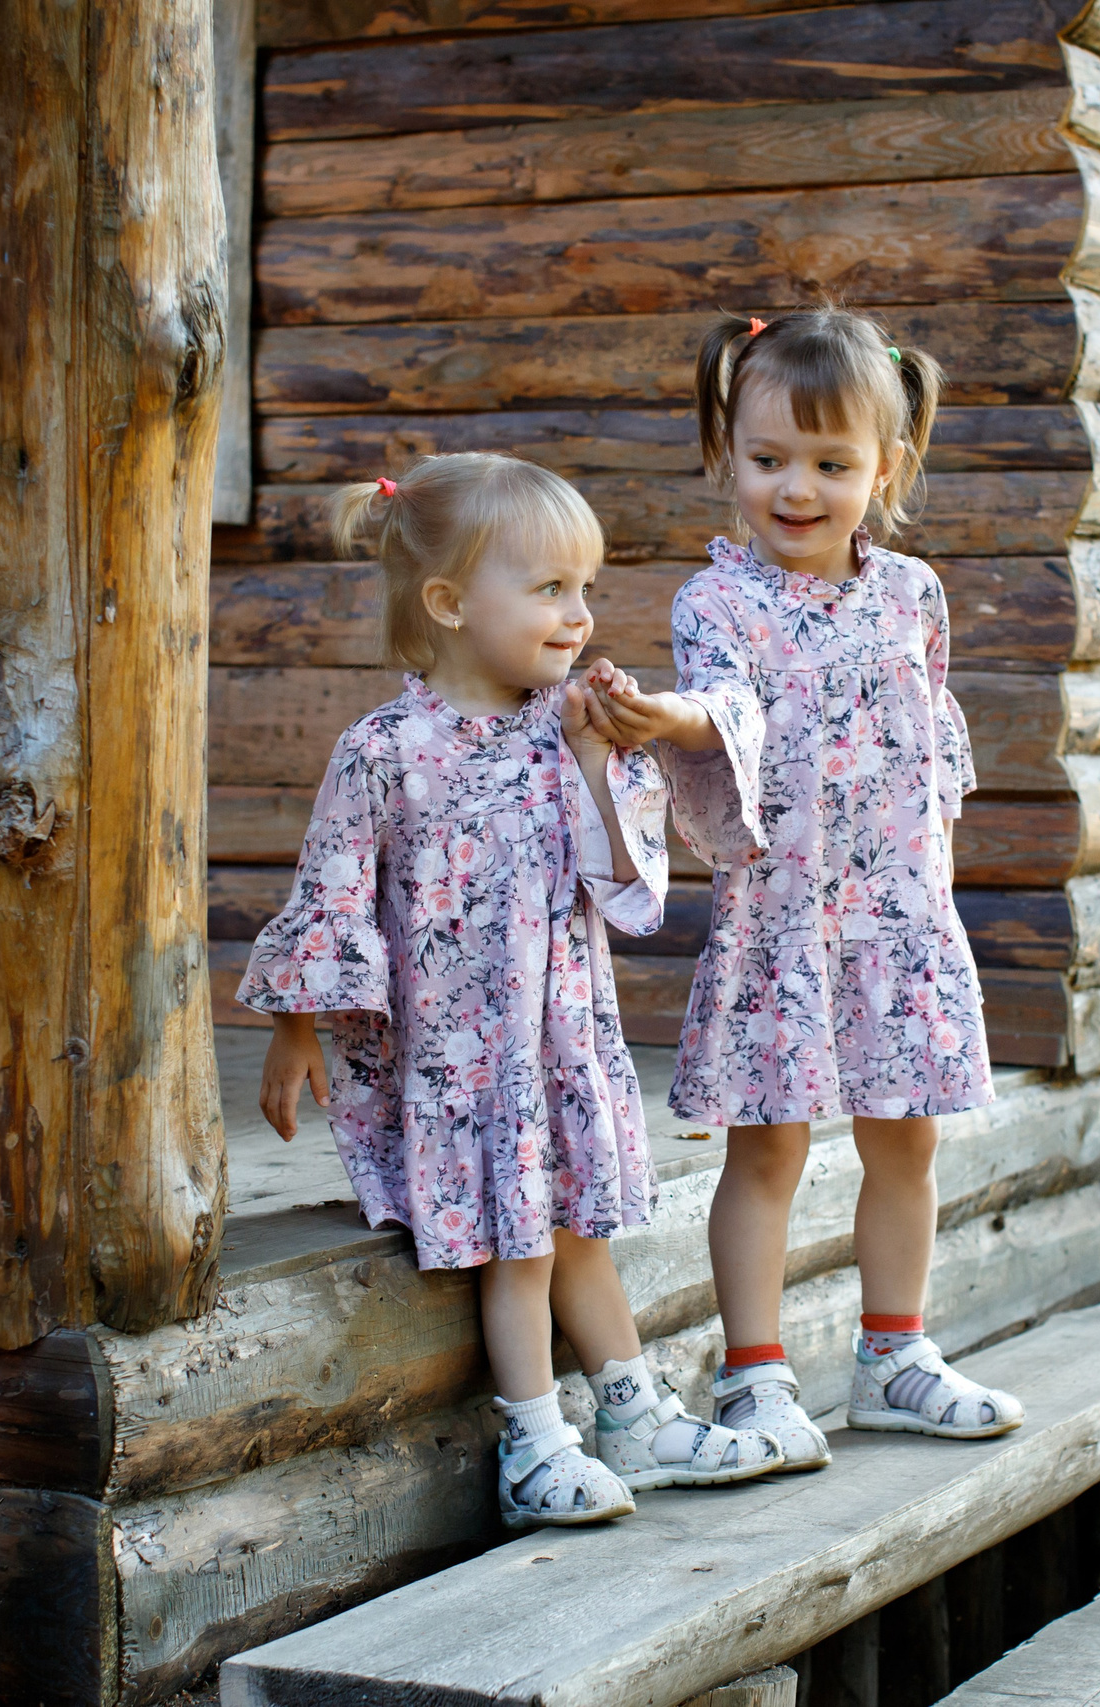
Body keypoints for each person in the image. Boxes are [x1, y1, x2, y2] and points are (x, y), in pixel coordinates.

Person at [243, 452, 781, 1530]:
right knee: (522, 1243)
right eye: (548, 590)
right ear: (447, 603)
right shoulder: (385, 752)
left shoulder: (563, 731)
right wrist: (297, 1029)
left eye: (585, 588)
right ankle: (536, 1444)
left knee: (579, 1227)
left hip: (561, 1043)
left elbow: (625, 880)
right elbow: (333, 893)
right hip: (463, 1060)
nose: (579, 616)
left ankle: (634, 1414)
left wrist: (596, 754)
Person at [584, 309, 1024, 1471]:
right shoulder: (715, 604)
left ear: (887, 469)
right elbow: (726, 713)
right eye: (768, 458)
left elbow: (933, 740)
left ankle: (893, 1357)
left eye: (831, 465)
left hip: (894, 913)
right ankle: (755, 1378)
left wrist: (924, 879)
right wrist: (667, 719)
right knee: (769, 1151)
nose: (796, 488)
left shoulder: (913, 595)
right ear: (726, 453)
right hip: (784, 922)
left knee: (905, 1140)